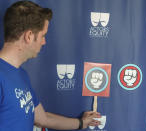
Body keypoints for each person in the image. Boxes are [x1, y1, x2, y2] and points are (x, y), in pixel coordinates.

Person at [0, 1, 100, 131]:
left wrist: (81, 123)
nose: (44, 41)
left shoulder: (21, 75)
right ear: (29, 36)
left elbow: (43, 118)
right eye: (43, 35)